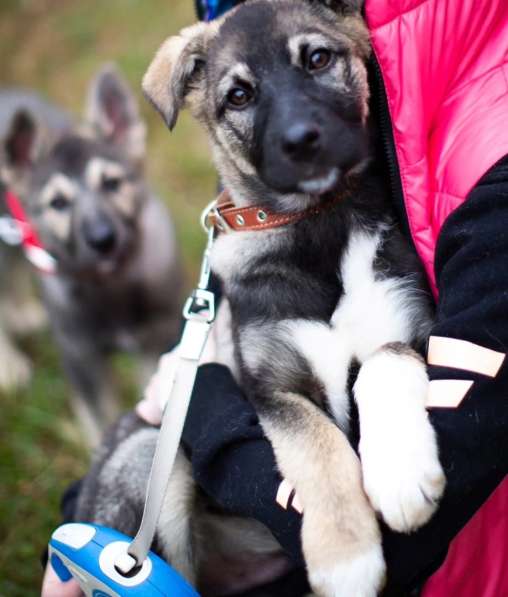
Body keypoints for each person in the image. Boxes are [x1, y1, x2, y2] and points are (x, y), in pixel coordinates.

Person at [43, 0, 508, 595]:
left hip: (325, 537)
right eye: (240, 97)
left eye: (316, 60)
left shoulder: (454, 185)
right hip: (207, 526)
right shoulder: (250, 234)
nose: (294, 127)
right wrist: (83, 522)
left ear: (356, 28)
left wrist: (199, 393)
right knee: (141, 463)